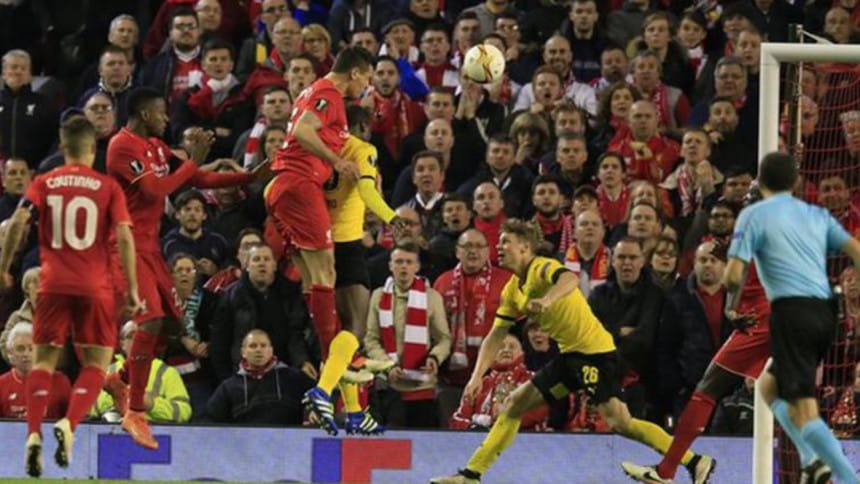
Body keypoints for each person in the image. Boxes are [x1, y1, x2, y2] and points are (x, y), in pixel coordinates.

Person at [430, 219, 706, 484]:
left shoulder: (542, 267)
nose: (498, 247)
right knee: (514, 405)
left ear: (525, 247)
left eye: (505, 242)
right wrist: (476, 377)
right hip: (570, 358)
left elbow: (569, 280)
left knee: (621, 423)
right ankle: (471, 475)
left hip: (595, 355)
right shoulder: (512, 290)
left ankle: (692, 460)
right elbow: (495, 336)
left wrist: (547, 299)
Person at [105, 87, 259, 451]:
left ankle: (119, 378)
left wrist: (248, 177)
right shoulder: (121, 146)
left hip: (150, 248)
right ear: (145, 114)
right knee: (150, 321)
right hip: (124, 246)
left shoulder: (157, 147)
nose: (166, 119)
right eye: (161, 112)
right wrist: (194, 161)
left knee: (173, 326)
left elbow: (197, 179)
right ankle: (135, 411)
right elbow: (155, 190)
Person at [0, 117, 142, 477]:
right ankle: (69, 424)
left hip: (52, 284)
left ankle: (34, 434)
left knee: (43, 362)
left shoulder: (44, 182)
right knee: (96, 363)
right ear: (93, 149)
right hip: (93, 286)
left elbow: (17, 222)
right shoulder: (108, 187)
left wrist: (4, 267)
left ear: (63, 148)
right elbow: (125, 237)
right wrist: (132, 289)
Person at [725, 152, 860, 484]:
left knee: (805, 411)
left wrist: (732, 286)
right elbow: (856, 250)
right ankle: (811, 460)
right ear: (796, 182)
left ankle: (848, 478)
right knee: (768, 387)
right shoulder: (816, 213)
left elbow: (733, 276)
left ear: (761, 183)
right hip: (827, 312)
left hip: (792, 313)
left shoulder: (753, 215)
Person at [264, 46, 375, 436]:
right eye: (367, 78)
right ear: (356, 73)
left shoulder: (311, 91)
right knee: (326, 271)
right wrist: (336, 159)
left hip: (285, 186)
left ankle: (335, 382)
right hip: (299, 185)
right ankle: (335, 366)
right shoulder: (329, 94)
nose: (367, 86)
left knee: (315, 281)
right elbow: (302, 132)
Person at [323, 104, 406, 434]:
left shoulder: (321, 150)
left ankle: (354, 410)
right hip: (346, 244)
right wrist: (391, 217)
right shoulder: (361, 150)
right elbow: (367, 190)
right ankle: (322, 392)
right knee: (354, 329)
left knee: (341, 338)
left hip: (318, 244)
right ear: (360, 127)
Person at [207, 329, 315, 425]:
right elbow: (210, 420)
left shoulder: (293, 378)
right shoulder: (228, 387)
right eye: (253, 346)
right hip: (245, 440)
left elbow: (319, 395)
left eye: (263, 345)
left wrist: (311, 412)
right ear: (243, 352)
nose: (258, 350)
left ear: (271, 350)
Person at [92, 321, 192, 424]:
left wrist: (152, 404)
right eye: (131, 336)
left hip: (153, 430)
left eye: (142, 337)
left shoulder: (167, 372)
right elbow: (88, 408)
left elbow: (184, 412)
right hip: (110, 430)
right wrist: (117, 396)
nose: (137, 341)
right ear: (122, 344)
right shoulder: (106, 371)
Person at [0, 323, 70, 419]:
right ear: (10, 353)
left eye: (31, 348)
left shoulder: (60, 382)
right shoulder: (2, 385)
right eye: (20, 349)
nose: (26, 354)